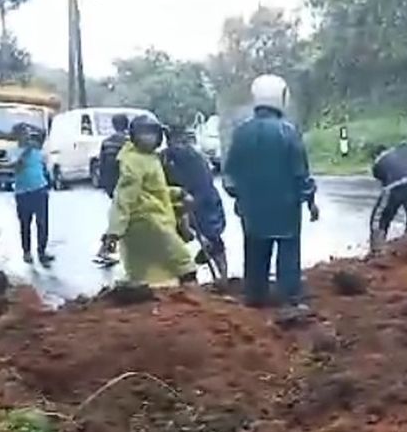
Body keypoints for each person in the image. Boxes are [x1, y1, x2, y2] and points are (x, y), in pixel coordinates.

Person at [224, 74, 317, 308]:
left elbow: (230, 174)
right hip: (286, 208)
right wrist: (310, 200)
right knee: (287, 251)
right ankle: (289, 299)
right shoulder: (288, 132)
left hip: (252, 209)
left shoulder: (240, 133)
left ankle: (255, 296)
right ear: (281, 97)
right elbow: (300, 173)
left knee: (255, 250)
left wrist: (241, 197)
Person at [100, 115, 197, 286]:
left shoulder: (148, 158)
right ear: (134, 136)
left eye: (152, 134)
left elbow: (154, 190)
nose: (148, 138)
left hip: (153, 220)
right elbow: (123, 198)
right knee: (183, 264)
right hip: (147, 221)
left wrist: (178, 193)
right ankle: (197, 304)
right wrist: (114, 232)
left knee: (141, 274)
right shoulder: (133, 162)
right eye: (143, 134)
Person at [161, 122, 229, 281]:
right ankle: (222, 276)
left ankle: (187, 278)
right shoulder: (197, 154)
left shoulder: (167, 157)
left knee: (177, 242)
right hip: (208, 198)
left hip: (188, 200)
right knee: (214, 238)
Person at [9, 124, 54, 266]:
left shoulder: (37, 150)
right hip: (23, 192)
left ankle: (42, 252)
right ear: (17, 137)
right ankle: (27, 252)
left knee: (42, 223)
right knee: (25, 224)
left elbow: (43, 131)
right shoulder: (14, 152)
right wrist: (25, 151)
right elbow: (16, 166)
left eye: (28, 134)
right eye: (23, 134)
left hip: (39, 189)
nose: (27, 136)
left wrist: (30, 128)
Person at [97, 113, 130, 197]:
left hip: (111, 183)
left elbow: (102, 164)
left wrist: (103, 183)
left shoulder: (106, 142)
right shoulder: (131, 143)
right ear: (127, 125)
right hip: (127, 183)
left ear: (113, 125)